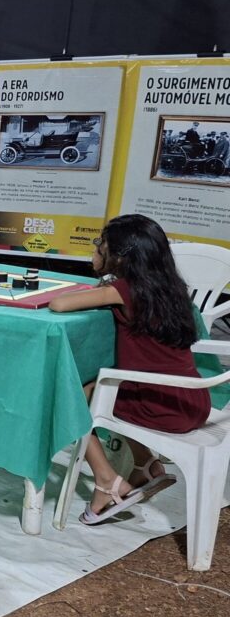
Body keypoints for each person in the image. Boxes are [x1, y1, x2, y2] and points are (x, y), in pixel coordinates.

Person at [50, 214, 211, 525]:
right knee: (100, 389)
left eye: (102, 244)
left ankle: (106, 481)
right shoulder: (171, 287)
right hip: (192, 401)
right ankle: (146, 464)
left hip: (160, 406)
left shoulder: (124, 289)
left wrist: (100, 269)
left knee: (72, 398)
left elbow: (59, 304)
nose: (98, 248)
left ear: (121, 256)